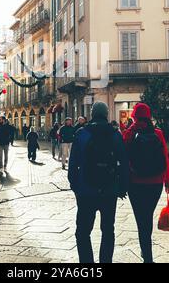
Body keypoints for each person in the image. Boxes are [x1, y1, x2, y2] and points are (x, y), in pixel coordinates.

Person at [68, 102, 129, 264]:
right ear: (107, 114)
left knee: (82, 232)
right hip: (109, 190)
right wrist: (122, 188)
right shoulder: (115, 134)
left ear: (93, 113)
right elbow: (124, 163)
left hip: (86, 190)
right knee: (108, 231)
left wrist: (75, 187)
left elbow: (73, 163)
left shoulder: (82, 133)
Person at [123, 103, 169, 264]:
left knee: (141, 219)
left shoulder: (130, 134)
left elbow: (123, 158)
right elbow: (165, 158)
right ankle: (147, 253)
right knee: (148, 216)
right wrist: (168, 182)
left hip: (135, 183)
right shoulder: (158, 133)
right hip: (155, 183)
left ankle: (147, 254)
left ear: (134, 117)